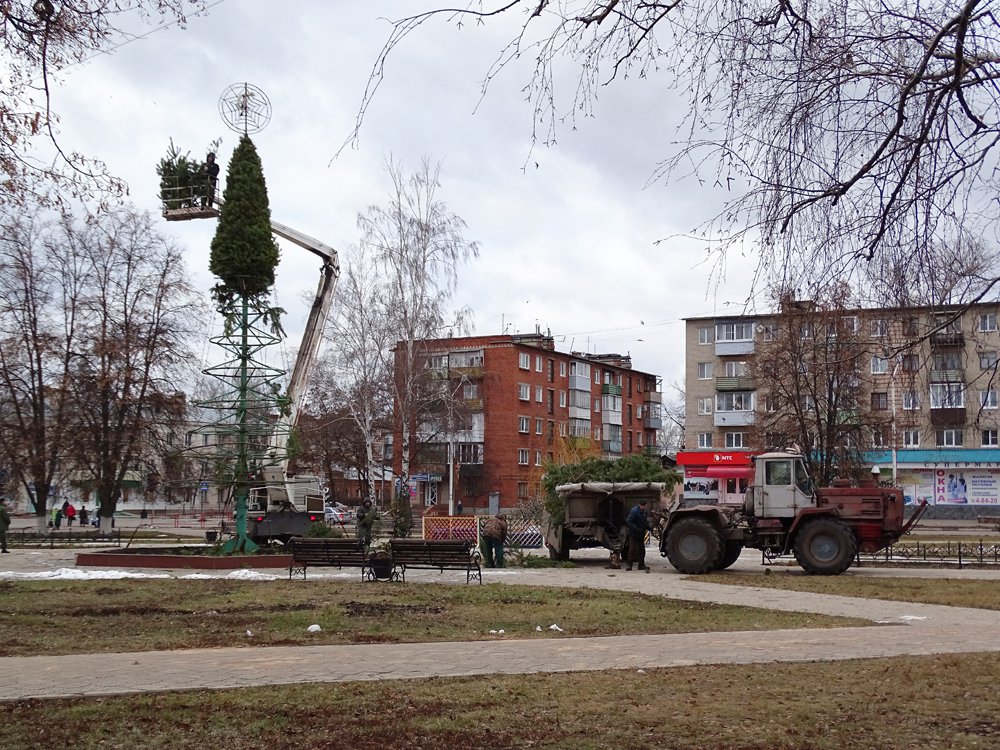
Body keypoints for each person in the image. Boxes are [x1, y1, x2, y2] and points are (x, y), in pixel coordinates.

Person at [624, 499, 653, 572]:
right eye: (642, 505)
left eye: (644, 505)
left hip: (641, 533)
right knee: (632, 549)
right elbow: (629, 521)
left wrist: (649, 528)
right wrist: (636, 528)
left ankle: (641, 565)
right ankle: (629, 565)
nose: (643, 507)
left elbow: (644, 522)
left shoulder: (644, 512)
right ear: (639, 504)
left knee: (641, 550)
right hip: (633, 533)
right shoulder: (634, 511)